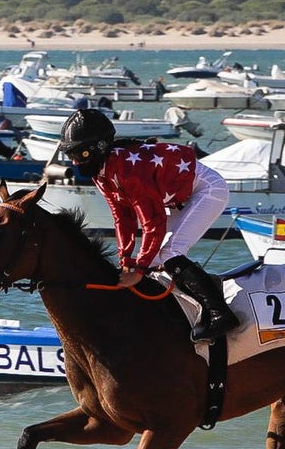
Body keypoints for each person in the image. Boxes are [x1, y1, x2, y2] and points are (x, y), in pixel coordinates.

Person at [58, 108, 239, 342]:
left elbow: (153, 221)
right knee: (155, 260)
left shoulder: (127, 171)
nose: (73, 161)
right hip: (180, 196)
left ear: (96, 149)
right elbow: (122, 217)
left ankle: (220, 313)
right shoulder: (101, 172)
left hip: (207, 189)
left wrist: (139, 269)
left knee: (171, 253)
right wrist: (126, 261)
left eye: (76, 154)